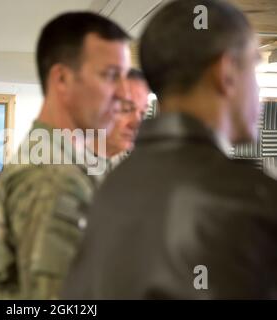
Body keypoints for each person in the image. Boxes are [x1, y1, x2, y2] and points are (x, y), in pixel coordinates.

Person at [63, 0, 277, 299]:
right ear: (226, 72)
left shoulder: (113, 186)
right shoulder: (247, 199)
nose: (256, 90)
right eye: (254, 64)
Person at [0, 12, 131, 299]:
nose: (123, 94)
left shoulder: (65, 164)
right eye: (111, 76)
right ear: (62, 79)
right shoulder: (53, 179)